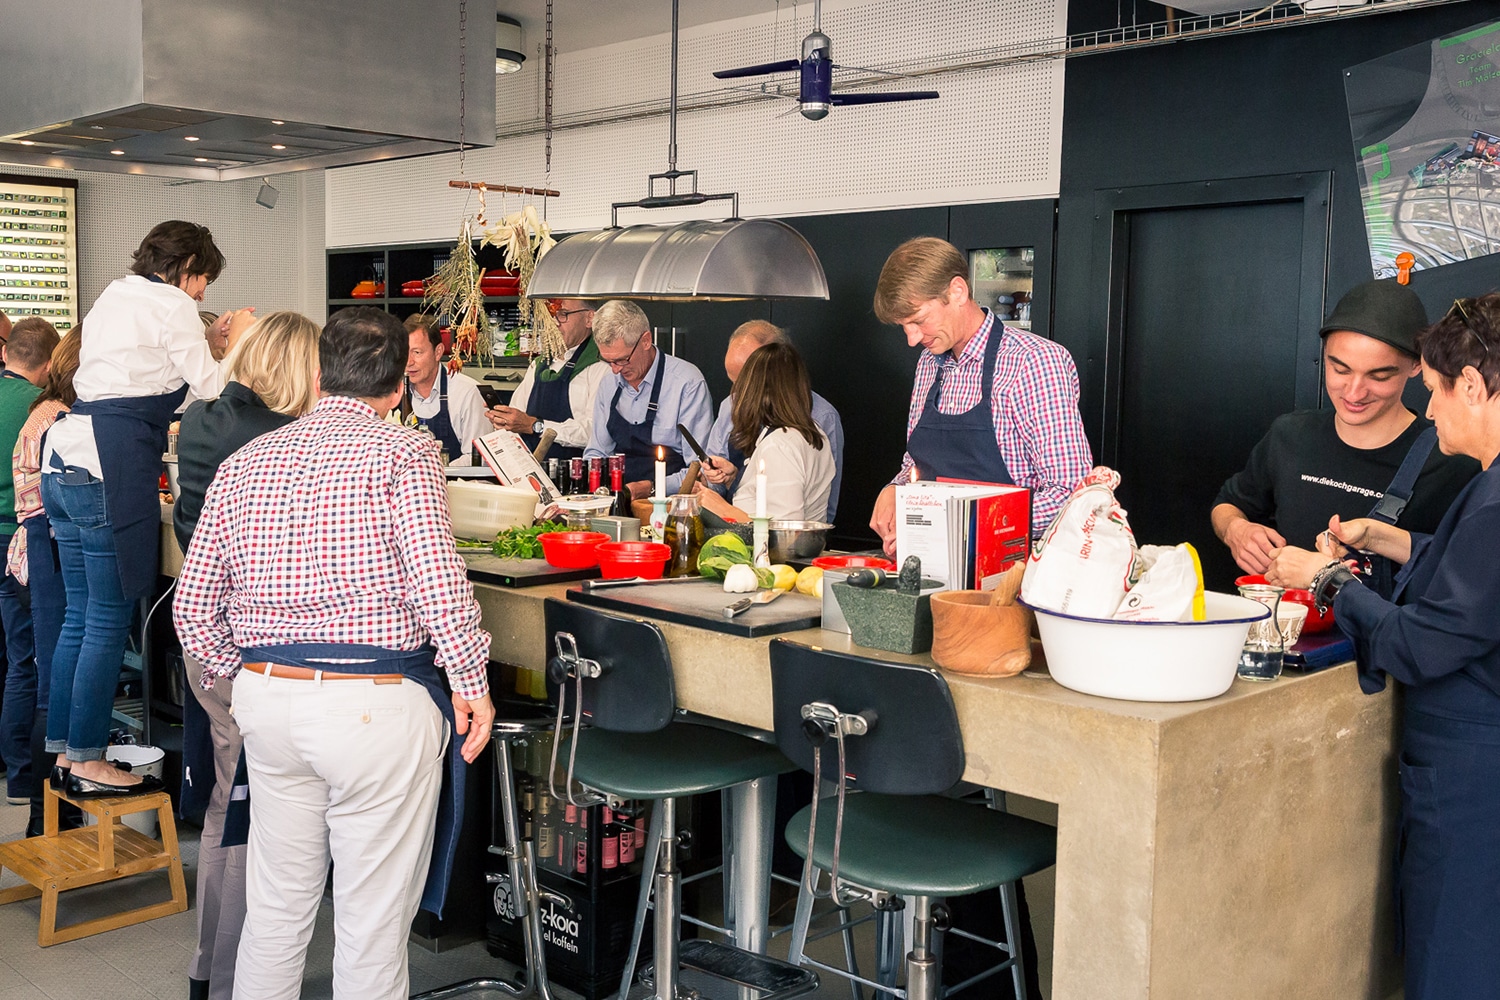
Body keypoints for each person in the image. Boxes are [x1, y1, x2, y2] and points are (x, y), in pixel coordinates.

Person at [173, 306, 494, 1000]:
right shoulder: (405, 452)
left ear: (318, 377)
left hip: (268, 699)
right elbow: (438, 582)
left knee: (278, 908)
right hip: (373, 707)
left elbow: (192, 608)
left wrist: (245, 679)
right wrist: (472, 682)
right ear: (397, 391)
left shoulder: (245, 462)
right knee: (371, 923)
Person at [1266, 293, 1500, 1000]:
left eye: (1430, 391)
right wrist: (1388, 537)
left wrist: (1330, 579)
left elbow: (1421, 646)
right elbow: (1471, 577)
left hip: (1472, 781)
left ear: (1470, 384)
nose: (1428, 414)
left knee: (1453, 967)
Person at [42, 220, 251, 798]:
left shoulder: (115, 292)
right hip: (111, 461)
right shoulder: (174, 304)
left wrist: (208, 344)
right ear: (186, 268)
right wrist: (242, 341)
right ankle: (87, 759)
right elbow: (210, 387)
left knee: (79, 619)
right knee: (107, 620)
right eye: (204, 278)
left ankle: (64, 748)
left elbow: (152, 365)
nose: (204, 292)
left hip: (64, 454)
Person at [171, 311, 322, 1000]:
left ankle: (214, 963)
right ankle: (230, 975)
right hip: (248, 643)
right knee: (247, 811)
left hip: (207, 634)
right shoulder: (275, 438)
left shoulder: (205, 415)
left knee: (231, 803)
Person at [1214, 279, 1478, 585]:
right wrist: (1236, 529)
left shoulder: (1452, 459)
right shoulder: (1289, 434)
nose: (1354, 392)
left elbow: (1466, 576)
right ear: (1324, 354)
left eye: (1378, 376)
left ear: (1417, 366)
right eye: (1340, 369)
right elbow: (1228, 503)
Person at [868, 237, 1092, 556]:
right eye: (903, 327)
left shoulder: (1034, 362)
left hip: (1011, 578)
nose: (912, 339)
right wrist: (897, 487)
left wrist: (963, 528)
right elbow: (918, 462)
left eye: (918, 321)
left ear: (957, 291)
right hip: (934, 566)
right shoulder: (929, 364)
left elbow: (1072, 495)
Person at [8, 328, 80, 837]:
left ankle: (39, 802)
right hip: (47, 551)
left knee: (36, 674)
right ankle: (48, 812)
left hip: (29, 550)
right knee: (53, 688)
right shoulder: (60, 420)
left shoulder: (43, 411)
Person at [0, 318, 60, 805]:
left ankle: (12, 768)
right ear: (48, 363)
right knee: (29, 662)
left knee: (11, 663)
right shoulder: (43, 410)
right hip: (18, 545)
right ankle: (27, 779)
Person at [703, 320, 844, 521]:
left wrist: (722, 509)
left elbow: (783, 531)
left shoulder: (781, 444)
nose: (736, 393)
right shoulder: (809, 433)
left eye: (743, 384)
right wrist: (734, 478)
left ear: (761, 390)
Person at [583, 300, 713, 498]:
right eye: (608, 361)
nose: (616, 369)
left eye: (622, 359)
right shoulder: (609, 384)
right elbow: (597, 453)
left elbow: (700, 471)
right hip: (619, 497)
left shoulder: (687, 384)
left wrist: (652, 487)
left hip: (671, 503)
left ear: (646, 340)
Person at [484, 299, 607, 465]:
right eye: (551, 315)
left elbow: (594, 433)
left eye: (563, 314)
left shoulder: (601, 367)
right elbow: (515, 422)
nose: (554, 322)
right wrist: (505, 419)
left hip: (576, 478)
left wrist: (536, 426)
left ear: (589, 319)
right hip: (533, 475)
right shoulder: (539, 365)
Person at [399, 313, 489, 466]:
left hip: (456, 486)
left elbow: (478, 458)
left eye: (417, 352)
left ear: (438, 352)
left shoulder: (467, 393)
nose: (409, 362)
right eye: (404, 352)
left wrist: (433, 472)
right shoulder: (392, 393)